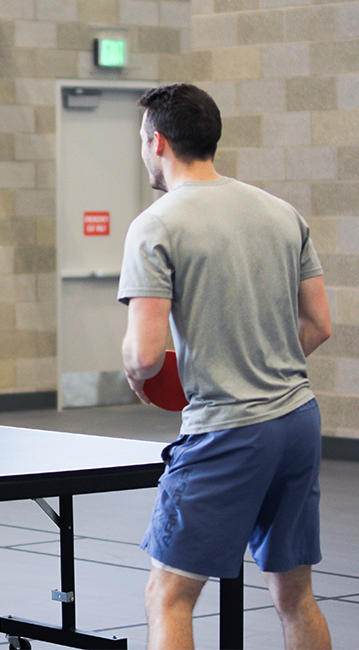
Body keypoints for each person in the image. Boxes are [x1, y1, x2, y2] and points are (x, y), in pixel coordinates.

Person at [118, 83, 333, 649]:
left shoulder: (156, 224)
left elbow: (143, 354)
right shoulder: (281, 212)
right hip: (298, 421)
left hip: (228, 430)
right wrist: (262, 360)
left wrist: (137, 373)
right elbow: (319, 325)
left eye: (141, 141)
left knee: (168, 596)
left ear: (157, 142)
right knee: (295, 596)